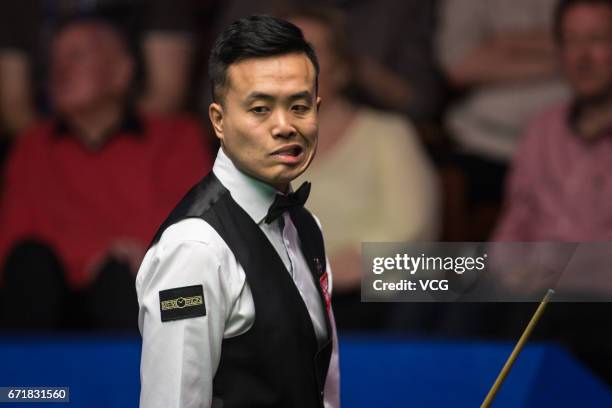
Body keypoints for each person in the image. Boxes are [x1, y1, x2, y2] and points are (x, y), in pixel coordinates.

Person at [136, 15, 340, 408]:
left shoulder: (306, 226)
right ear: (219, 120)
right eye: (260, 109)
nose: (284, 126)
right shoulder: (194, 250)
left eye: (299, 106)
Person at [0, 18, 212, 331]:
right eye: (54, 59)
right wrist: (98, 256)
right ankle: (26, 382)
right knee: (31, 266)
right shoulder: (32, 147)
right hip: (52, 304)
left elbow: (192, 233)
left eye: (77, 56)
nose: (59, 69)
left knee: (126, 276)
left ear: (121, 71)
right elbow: (11, 248)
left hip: (144, 300)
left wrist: (122, 257)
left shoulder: (177, 138)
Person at [285, 5, 440, 330]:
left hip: (366, 301)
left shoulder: (388, 134)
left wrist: (347, 264)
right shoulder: (251, 149)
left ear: (341, 68)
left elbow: (412, 230)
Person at [492, 0, 612, 384]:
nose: (582, 57)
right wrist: (508, 270)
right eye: (570, 42)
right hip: (541, 303)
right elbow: (512, 229)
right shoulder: (542, 130)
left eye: (597, 40)